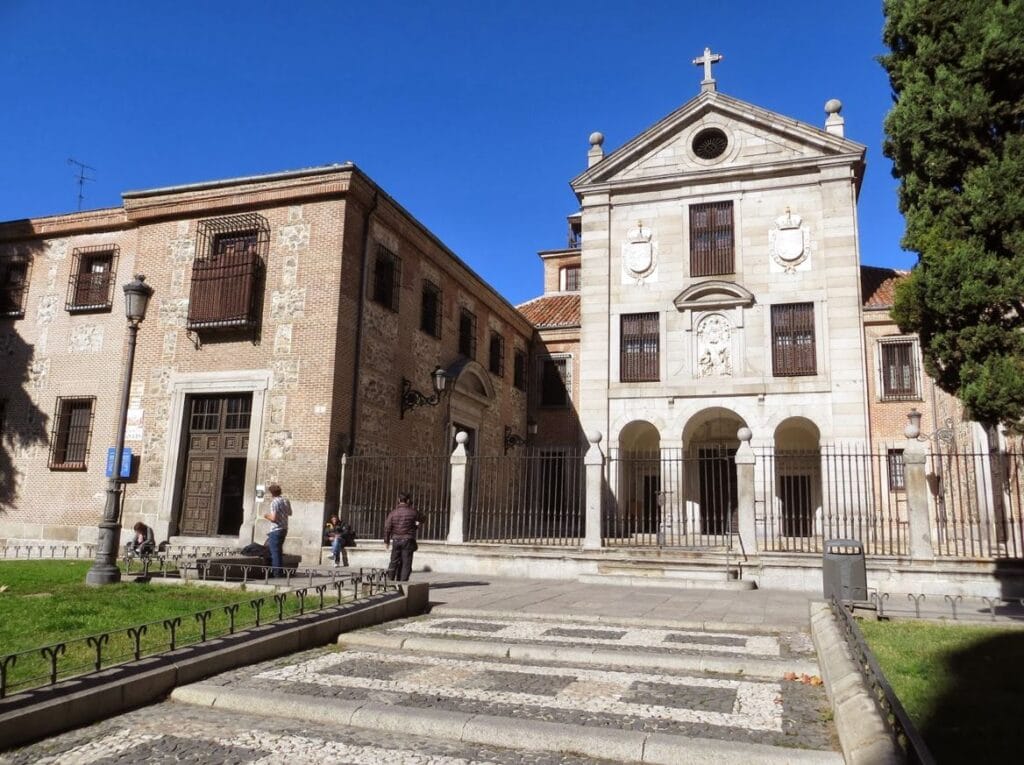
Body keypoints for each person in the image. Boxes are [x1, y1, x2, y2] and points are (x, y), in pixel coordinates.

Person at [383, 492, 423, 582]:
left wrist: (386, 541)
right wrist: (416, 526)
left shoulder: (393, 513)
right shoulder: (413, 512)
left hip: (396, 540)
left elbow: (387, 527)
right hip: (408, 540)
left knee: (393, 561)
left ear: (398, 500)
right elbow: (423, 518)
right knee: (406, 563)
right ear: (408, 500)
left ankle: (389, 581)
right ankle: (403, 583)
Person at [263, 483, 292, 577]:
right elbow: (290, 513)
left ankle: (277, 574)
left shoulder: (275, 502)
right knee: (278, 551)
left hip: (276, 529)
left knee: (275, 552)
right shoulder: (285, 500)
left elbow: (274, 518)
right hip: (284, 528)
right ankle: (280, 572)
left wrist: (266, 516)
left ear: (271, 493)